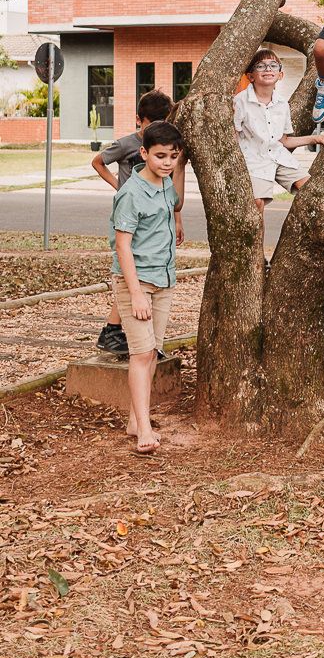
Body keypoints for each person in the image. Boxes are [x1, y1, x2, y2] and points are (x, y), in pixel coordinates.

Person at [109, 120, 184, 454]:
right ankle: (145, 429)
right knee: (141, 355)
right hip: (136, 283)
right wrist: (136, 292)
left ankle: (133, 419)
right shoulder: (130, 194)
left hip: (164, 279)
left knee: (151, 352)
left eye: (172, 156)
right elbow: (122, 246)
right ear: (144, 153)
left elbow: (176, 205)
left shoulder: (167, 184)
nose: (166, 162)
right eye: (159, 156)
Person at [93, 89, 184, 355]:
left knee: (141, 267)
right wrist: (118, 186)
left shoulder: (165, 149)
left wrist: (177, 220)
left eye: (162, 124)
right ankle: (111, 330)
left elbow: (170, 194)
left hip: (152, 211)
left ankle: (120, 332)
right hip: (129, 211)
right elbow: (98, 162)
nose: (155, 129)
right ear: (138, 120)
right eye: (150, 124)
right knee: (129, 264)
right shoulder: (127, 144)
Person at [234, 48, 324, 248]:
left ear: (280, 74)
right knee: (257, 205)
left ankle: (302, 245)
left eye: (273, 66)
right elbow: (234, 136)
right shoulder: (240, 101)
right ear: (250, 75)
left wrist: (315, 139)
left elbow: (284, 141)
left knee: (311, 191)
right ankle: (257, 253)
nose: (267, 69)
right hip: (254, 160)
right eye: (260, 66)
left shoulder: (282, 104)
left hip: (279, 157)